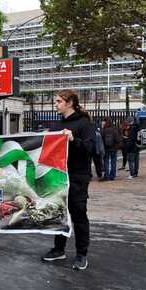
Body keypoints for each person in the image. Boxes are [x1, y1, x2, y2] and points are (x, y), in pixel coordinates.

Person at [42, 90, 94, 270]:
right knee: (60, 213)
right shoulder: (57, 124)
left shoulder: (84, 123)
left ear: (70, 102)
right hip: (58, 175)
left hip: (78, 176)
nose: (55, 104)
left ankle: (81, 254)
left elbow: (90, 148)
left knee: (78, 214)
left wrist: (73, 139)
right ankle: (59, 249)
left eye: (58, 101)